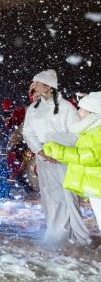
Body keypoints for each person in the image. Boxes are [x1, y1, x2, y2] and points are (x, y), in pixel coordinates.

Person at [22, 69, 91, 247]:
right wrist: (40, 150)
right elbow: (28, 132)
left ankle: (76, 235)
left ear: (49, 86)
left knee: (68, 196)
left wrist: (58, 148)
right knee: (50, 196)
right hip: (44, 159)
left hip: (64, 158)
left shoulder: (66, 107)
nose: (34, 87)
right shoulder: (33, 109)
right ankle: (56, 232)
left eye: (38, 83)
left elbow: (76, 133)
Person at [44, 91, 101, 233]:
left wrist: (62, 151)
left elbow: (93, 156)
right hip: (96, 184)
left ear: (92, 112)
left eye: (81, 109)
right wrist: (59, 153)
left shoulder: (98, 131)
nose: (78, 112)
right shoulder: (91, 132)